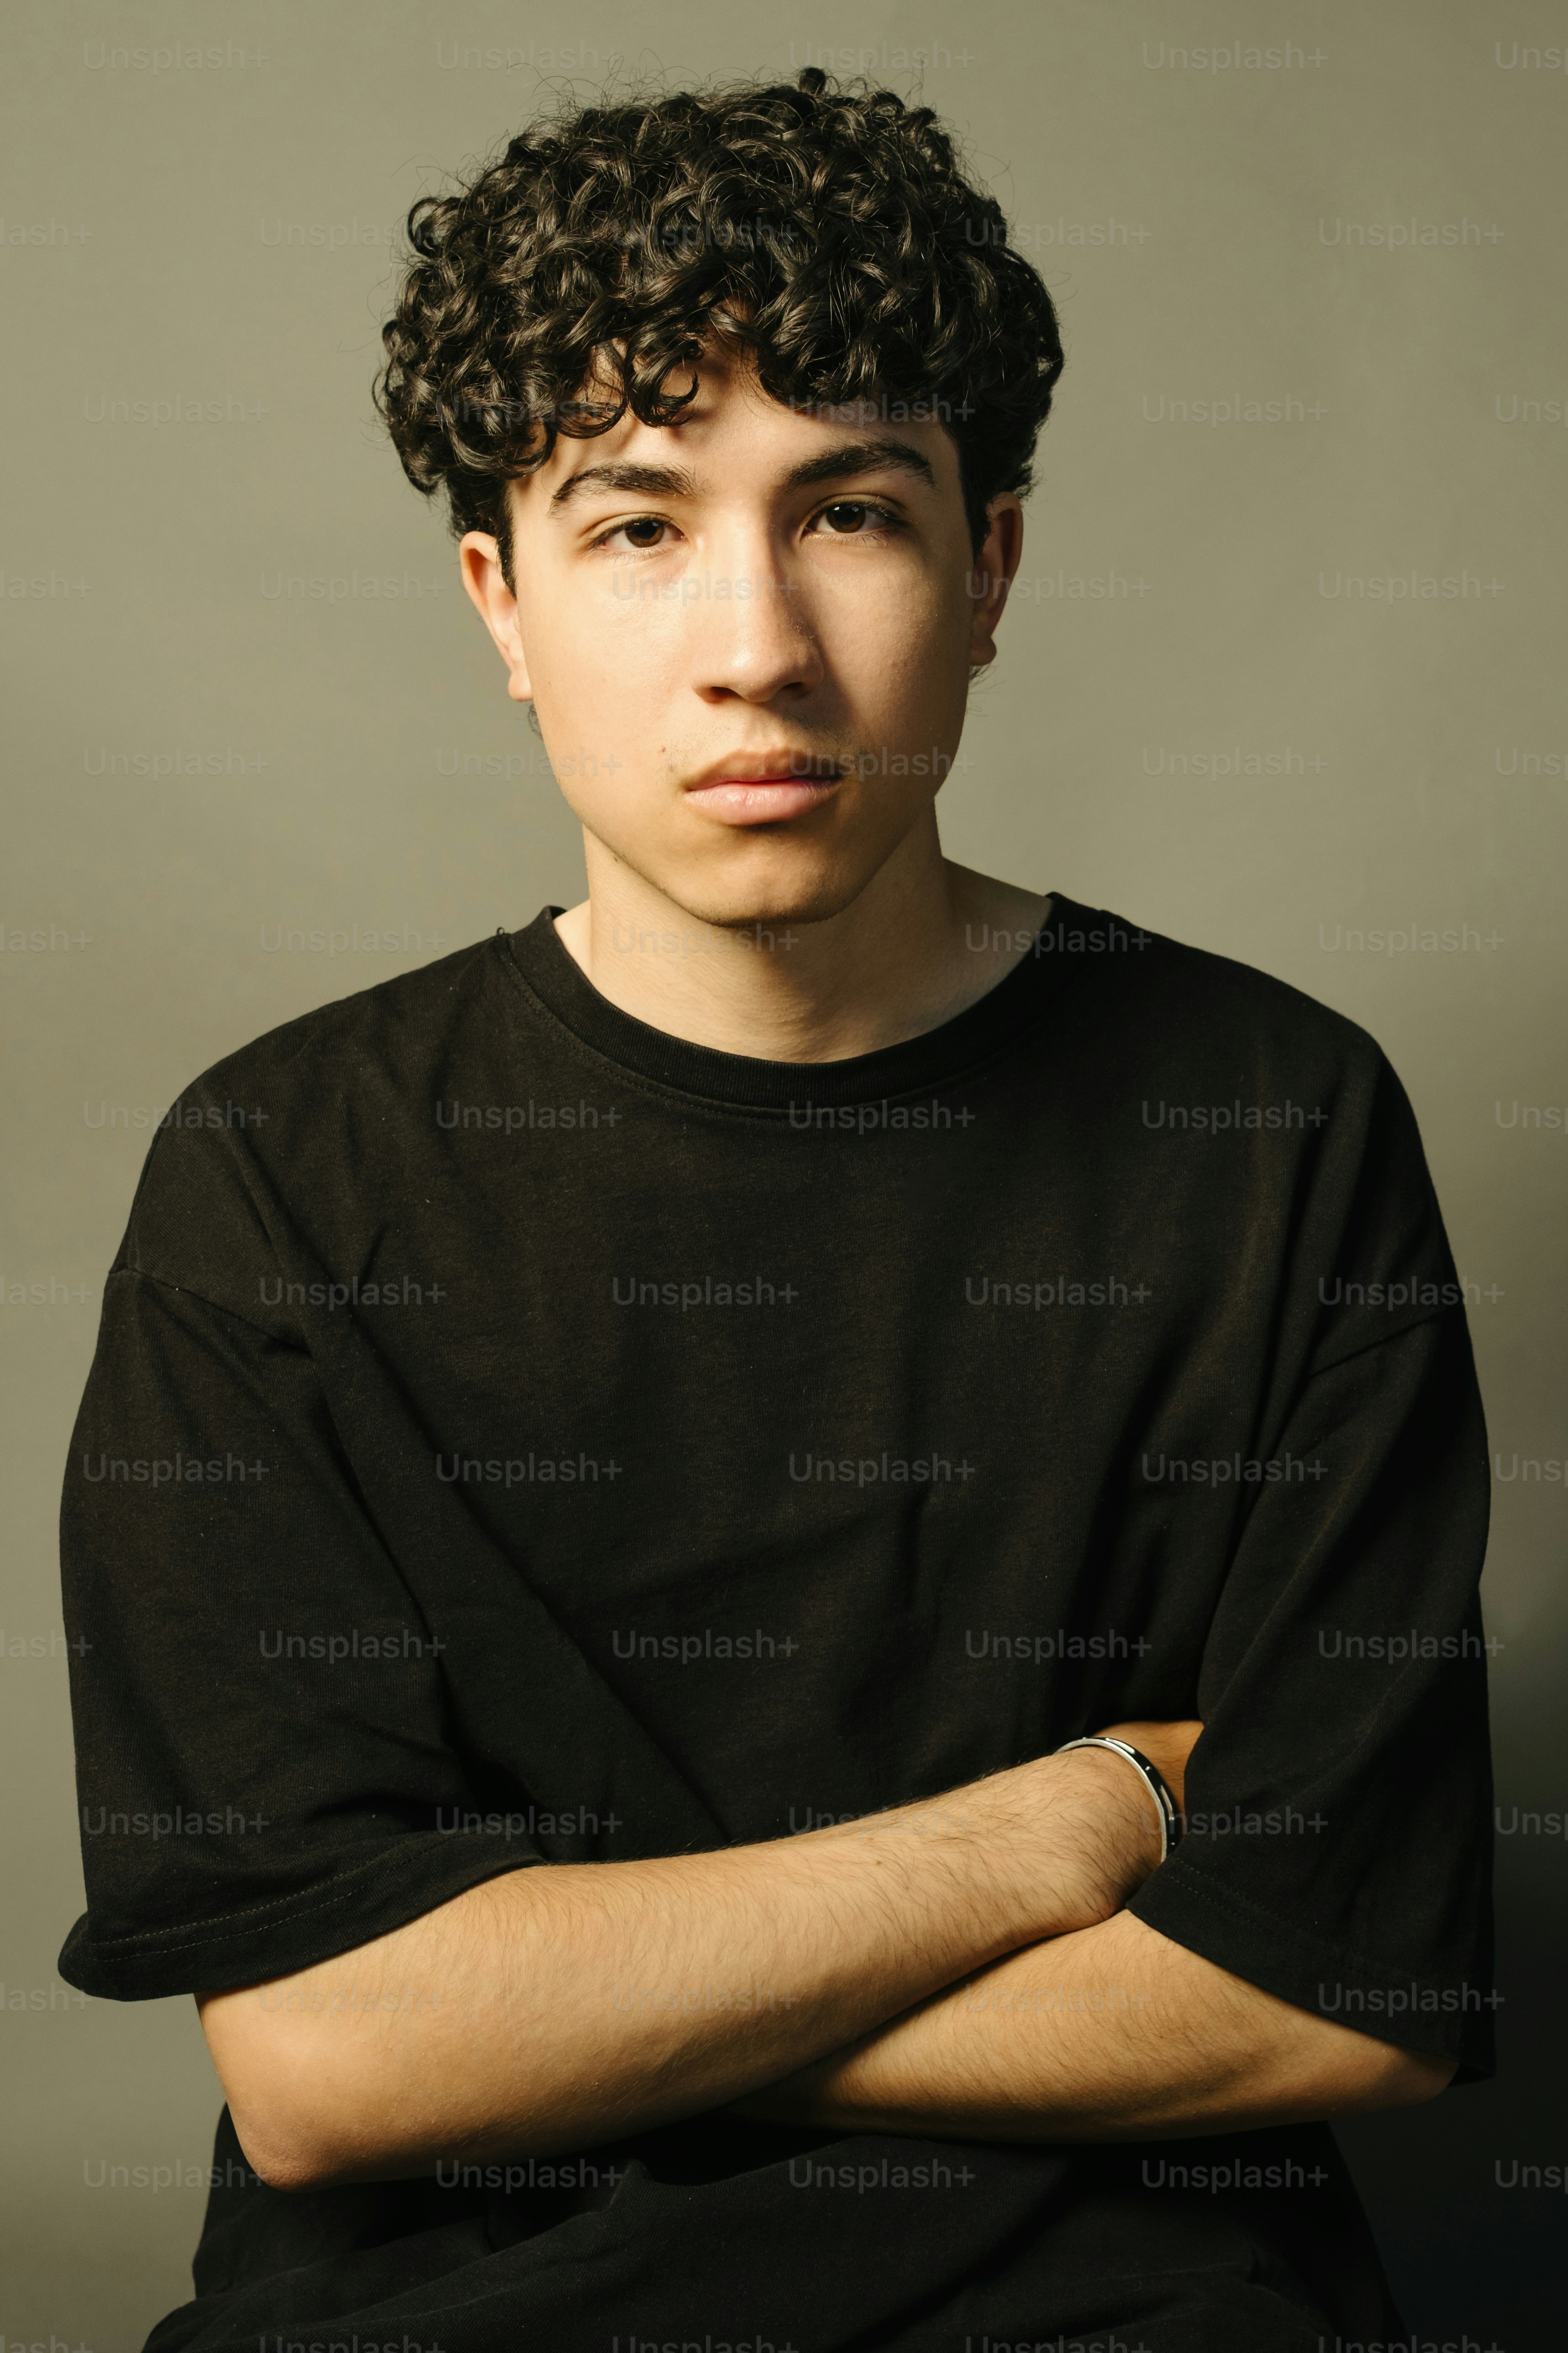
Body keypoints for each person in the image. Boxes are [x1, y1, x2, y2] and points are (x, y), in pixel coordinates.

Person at [58, 68, 1494, 2353]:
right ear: (498, 598)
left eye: (850, 509)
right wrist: (1048, 1832)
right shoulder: (276, 1176)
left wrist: (543, 2018)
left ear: (988, 563)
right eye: (633, 524)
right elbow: (325, 2064)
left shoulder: (1274, 1121)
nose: (757, 642)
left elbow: (1345, 2001)